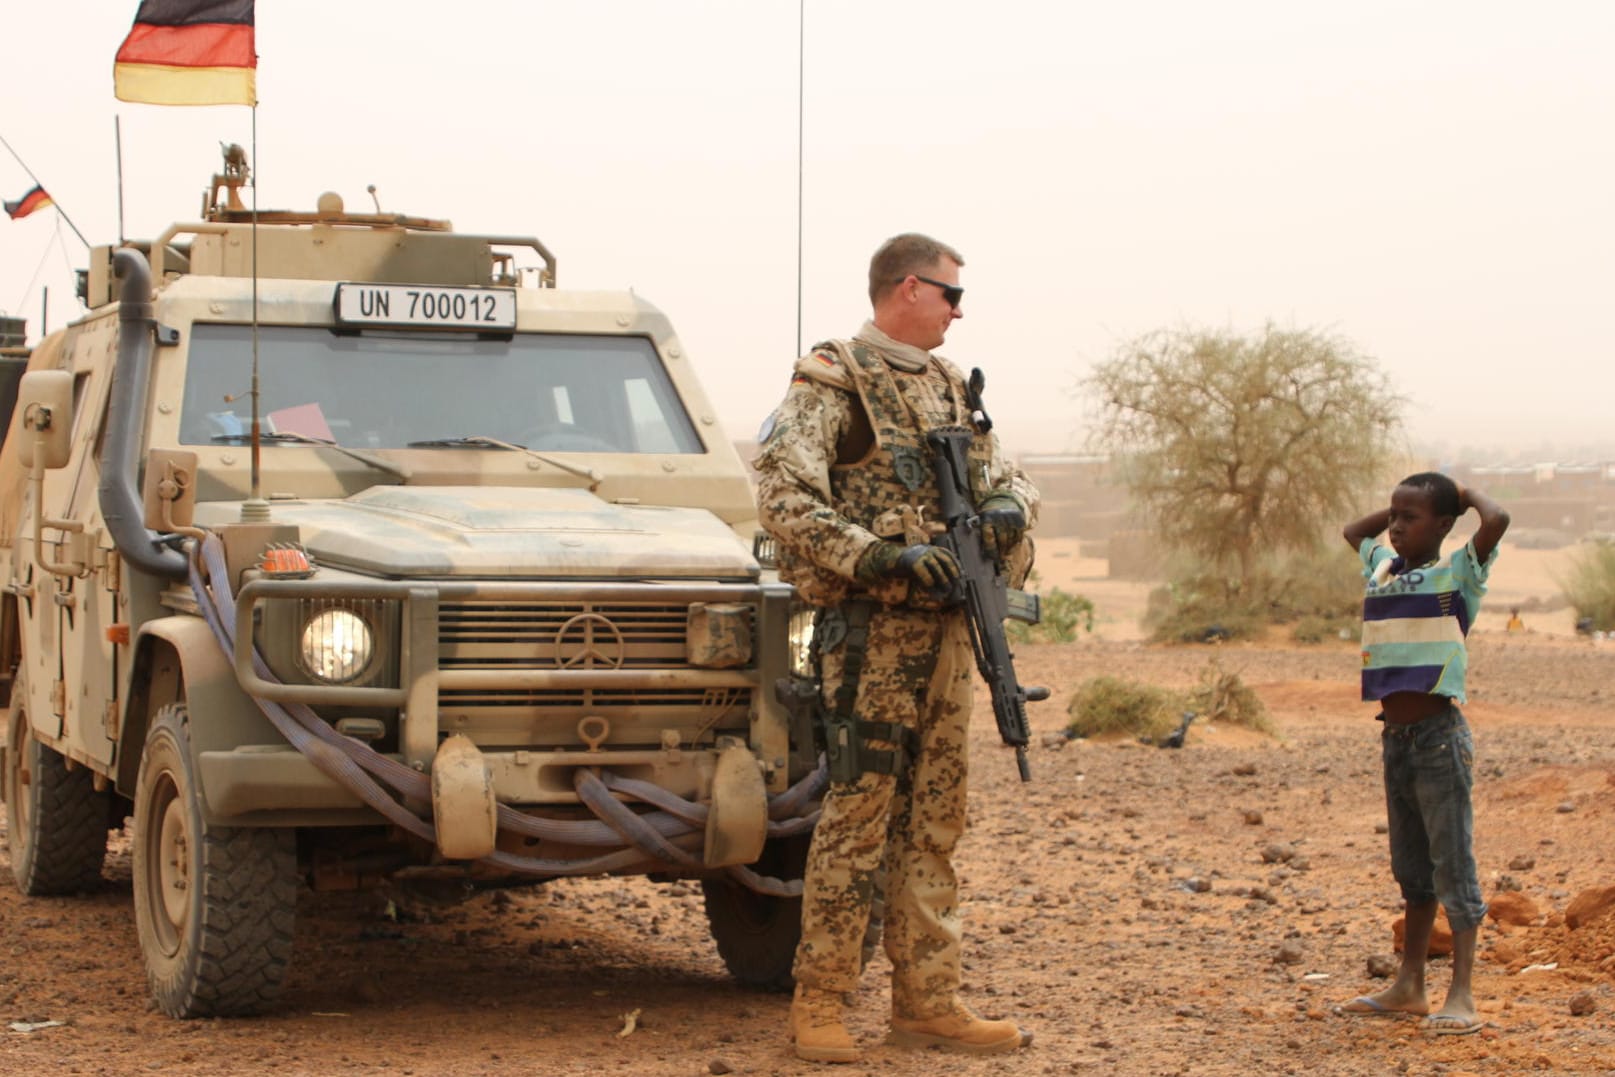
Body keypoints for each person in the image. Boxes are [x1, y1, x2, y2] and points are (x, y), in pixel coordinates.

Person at [752, 233, 1038, 1062]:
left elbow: (1006, 476)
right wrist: (876, 554)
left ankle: (927, 1001)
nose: (958, 310)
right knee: (858, 818)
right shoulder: (834, 376)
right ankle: (820, 1001)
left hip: (947, 634)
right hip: (872, 634)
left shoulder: (950, 387)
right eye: (951, 294)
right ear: (907, 288)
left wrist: (1008, 511)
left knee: (935, 820)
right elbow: (781, 492)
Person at [1338, 472, 1510, 1036]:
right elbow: (1351, 530)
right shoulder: (1383, 567)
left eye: (1410, 518)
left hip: (1439, 737)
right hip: (1396, 739)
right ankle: (1409, 985)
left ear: (1443, 526)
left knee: (1452, 864)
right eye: (1394, 516)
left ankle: (1461, 993)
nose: (1394, 526)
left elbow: (1497, 520)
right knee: (1412, 870)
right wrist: (1401, 505)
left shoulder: (1458, 573)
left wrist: (1461, 496)